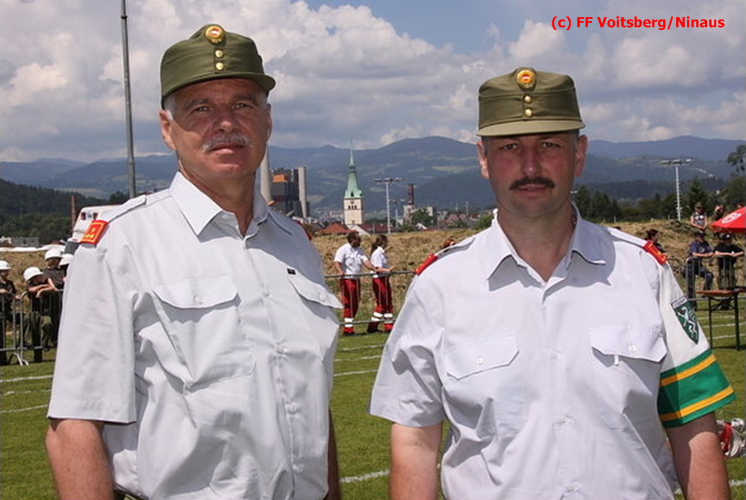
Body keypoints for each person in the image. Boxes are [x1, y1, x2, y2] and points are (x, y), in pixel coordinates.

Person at [370, 67, 734, 500]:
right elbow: (414, 440)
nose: (530, 166)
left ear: (579, 154)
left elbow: (694, 427)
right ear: (483, 159)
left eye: (549, 144)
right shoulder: (439, 287)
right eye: (509, 147)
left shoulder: (643, 272)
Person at [46, 24, 342, 500]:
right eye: (201, 108)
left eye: (243, 105)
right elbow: (75, 425)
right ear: (168, 129)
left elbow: (310, 407)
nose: (225, 123)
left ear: (267, 121)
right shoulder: (123, 245)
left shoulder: (295, 245)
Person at [334, 231, 376, 335]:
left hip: (356, 280)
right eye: (358, 239)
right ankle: (348, 329)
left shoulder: (360, 250)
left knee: (355, 303)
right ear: (352, 240)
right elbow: (337, 262)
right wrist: (340, 271)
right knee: (348, 303)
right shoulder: (343, 249)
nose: (360, 241)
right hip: (347, 280)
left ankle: (349, 324)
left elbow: (366, 262)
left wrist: (374, 268)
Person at [22, 266, 56, 349]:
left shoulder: (44, 284)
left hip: (44, 312)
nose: (42, 277)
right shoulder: (30, 285)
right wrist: (42, 287)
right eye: (39, 276)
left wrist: (41, 290)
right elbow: (31, 290)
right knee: (35, 331)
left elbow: (53, 288)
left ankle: (45, 343)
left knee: (48, 323)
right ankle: (32, 346)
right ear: (34, 277)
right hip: (34, 312)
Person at [367, 235, 395, 333]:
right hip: (379, 279)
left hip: (384, 279)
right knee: (382, 303)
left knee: (387, 302)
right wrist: (388, 270)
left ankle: (388, 324)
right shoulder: (377, 253)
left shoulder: (382, 253)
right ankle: (373, 326)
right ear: (383, 242)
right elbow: (377, 268)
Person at [686, 230, 714, 300]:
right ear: (696, 237)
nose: (702, 238)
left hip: (699, 265)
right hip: (690, 265)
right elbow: (694, 254)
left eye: (703, 236)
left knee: (709, 275)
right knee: (691, 284)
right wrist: (705, 255)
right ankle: (692, 300)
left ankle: (705, 293)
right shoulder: (694, 243)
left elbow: (711, 253)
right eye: (701, 236)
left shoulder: (706, 244)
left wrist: (706, 255)